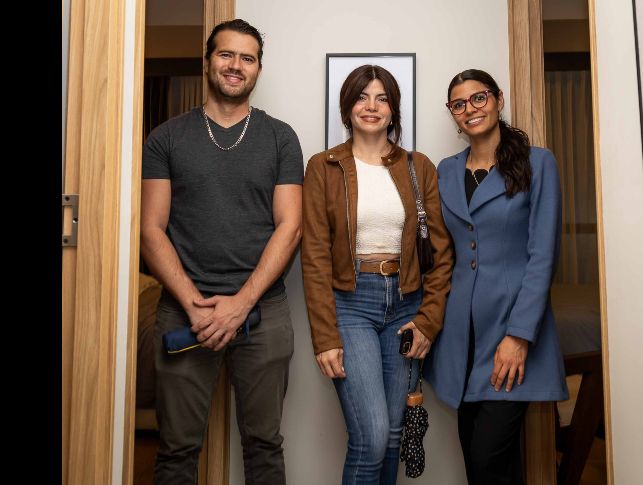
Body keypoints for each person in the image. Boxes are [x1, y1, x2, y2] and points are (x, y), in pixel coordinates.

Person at [140, 19, 303, 485]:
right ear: (208, 61)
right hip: (183, 310)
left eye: (247, 58)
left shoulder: (280, 137)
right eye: (226, 55)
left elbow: (289, 227)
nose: (236, 66)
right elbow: (151, 230)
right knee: (176, 449)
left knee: (264, 446)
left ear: (258, 69)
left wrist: (241, 304)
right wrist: (195, 303)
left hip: (263, 312)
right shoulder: (167, 137)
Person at [301, 64, 453, 485]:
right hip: (351, 305)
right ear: (347, 107)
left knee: (391, 436)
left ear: (393, 109)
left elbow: (440, 256)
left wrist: (429, 319)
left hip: (407, 303)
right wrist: (325, 335)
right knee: (369, 437)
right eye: (362, 97)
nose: (371, 106)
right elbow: (313, 255)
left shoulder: (417, 166)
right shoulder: (323, 167)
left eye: (382, 97)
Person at [423, 69, 568, 485]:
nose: (470, 109)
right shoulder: (445, 171)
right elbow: (441, 252)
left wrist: (519, 336)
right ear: (452, 113)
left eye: (479, 98)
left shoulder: (538, 162)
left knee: (488, 462)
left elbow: (543, 257)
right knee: (482, 465)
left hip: (510, 332)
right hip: (459, 340)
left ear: (498, 99)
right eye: (459, 104)